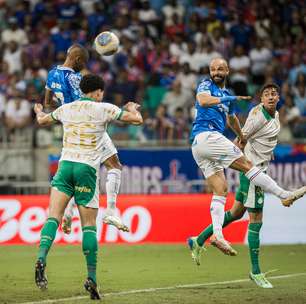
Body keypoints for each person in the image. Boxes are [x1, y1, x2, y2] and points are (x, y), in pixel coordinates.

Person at [34, 74, 143, 299]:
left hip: (64, 167)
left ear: (82, 90)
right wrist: (133, 108)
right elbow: (136, 120)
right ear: (99, 92)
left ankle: (42, 257)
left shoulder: (67, 108)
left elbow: (43, 120)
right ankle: (92, 278)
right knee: (89, 227)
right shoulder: (104, 108)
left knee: (53, 217)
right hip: (86, 170)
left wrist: (37, 111)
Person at [187, 58, 306, 259]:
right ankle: (283, 194)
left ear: (227, 71)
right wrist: (229, 99)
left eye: (220, 69)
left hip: (199, 147)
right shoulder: (207, 85)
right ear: (210, 72)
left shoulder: (226, 95)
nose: (216, 71)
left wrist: (242, 136)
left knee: (221, 190)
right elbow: (203, 101)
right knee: (248, 166)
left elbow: (232, 119)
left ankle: (216, 236)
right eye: (213, 69)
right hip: (206, 136)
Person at [189, 83, 289, 288]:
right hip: (253, 171)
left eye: (273, 94)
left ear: (278, 97)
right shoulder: (258, 115)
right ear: (261, 99)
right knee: (256, 218)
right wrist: (235, 154)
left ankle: (198, 240)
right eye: (266, 94)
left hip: (258, 168)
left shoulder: (275, 116)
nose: (270, 97)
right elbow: (242, 137)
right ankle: (256, 271)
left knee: (235, 213)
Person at [45, 43, 129, 233]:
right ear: (77, 60)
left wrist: (62, 110)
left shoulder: (51, 74)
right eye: (83, 63)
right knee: (113, 166)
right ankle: (110, 211)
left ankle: (67, 212)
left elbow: (47, 102)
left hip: (69, 128)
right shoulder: (75, 78)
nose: (82, 67)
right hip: (87, 125)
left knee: (74, 172)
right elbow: (88, 98)